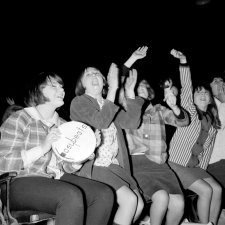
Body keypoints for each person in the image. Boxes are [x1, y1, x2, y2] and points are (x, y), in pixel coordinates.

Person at [0, 72, 114, 225]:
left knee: (103, 194)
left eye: (62, 86)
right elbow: (3, 162)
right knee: (70, 196)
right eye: (54, 86)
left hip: (54, 178)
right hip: (18, 182)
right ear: (38, 90)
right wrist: (42, 148)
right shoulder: (20, 118)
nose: (62, 90)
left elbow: (65, 167)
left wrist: (83, 155)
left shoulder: (63, 124)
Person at [70, 62, 144, 225]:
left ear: (104, 81)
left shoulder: (109, 104)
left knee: (139, 205)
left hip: (113, 165)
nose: (94, 76)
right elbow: (100, 121)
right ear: (82, 84)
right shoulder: (79, 102)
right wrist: (113, 89)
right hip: (93, 164)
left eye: (97, 73)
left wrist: (130, 93)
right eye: (88, 74)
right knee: (130, 200)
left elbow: (132, 123)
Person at [123, 47, 189, 225]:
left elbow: (183, 122)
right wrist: (132, 59)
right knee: (161, 197)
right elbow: (117, 81)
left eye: (145, 86)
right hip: (137, 162)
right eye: (138, 86)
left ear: (150, 91)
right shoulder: (127, 108)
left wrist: (175, 107)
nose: (142, 88)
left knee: (179, 203)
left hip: (160, 163)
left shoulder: (159, 109)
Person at [168, 49, 222, 225]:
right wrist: (183, 61)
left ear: (210, 100)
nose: (202, 94)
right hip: (177, 162)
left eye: (205, 93)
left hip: (195, 166)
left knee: (217, 189)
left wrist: (203, 171)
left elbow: (206, 151)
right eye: (198, 92)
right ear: (192, 98)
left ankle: (212, 223)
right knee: (206, 191)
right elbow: (186, 85)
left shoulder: (213, 122)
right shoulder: (190, 112)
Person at [207, 76, 225, 207]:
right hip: (216, 160)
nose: (219, 83)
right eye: (215, 81)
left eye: (221, 80)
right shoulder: (207, 106)